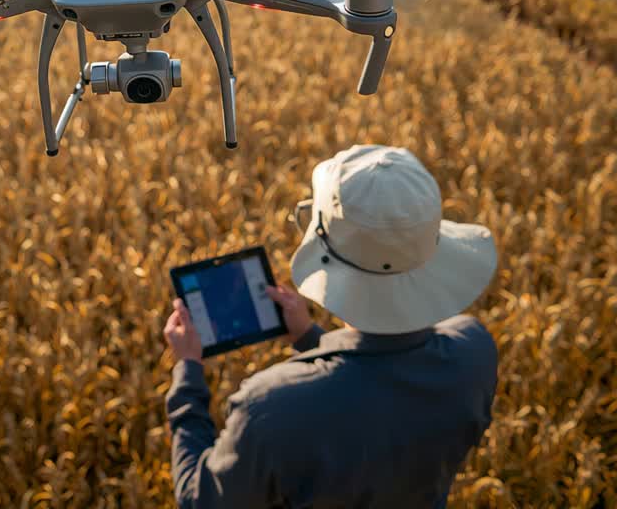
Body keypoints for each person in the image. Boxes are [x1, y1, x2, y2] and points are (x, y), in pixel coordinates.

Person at [162, 145, 499, 509]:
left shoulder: (270, 410)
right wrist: (310, 339)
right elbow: (382, 393)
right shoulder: (473, 352)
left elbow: (200, 501)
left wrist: (188, 374)